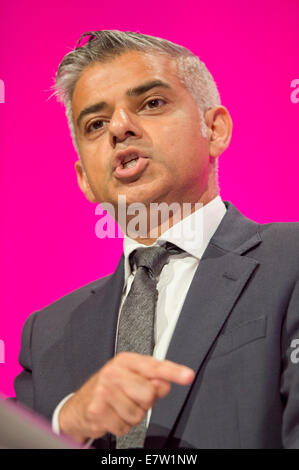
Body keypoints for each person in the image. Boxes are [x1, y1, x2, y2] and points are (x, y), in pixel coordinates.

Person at [12, 30, 299, 449]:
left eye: (151, 103)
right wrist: (65, 424)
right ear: (84, 180)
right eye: (96, 123)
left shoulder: (289, 262)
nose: (120, 128)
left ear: (215, 129)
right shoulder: (47, 333)